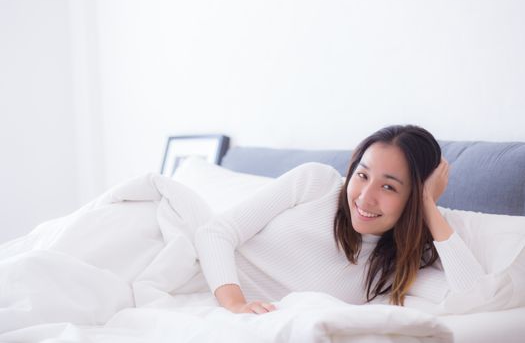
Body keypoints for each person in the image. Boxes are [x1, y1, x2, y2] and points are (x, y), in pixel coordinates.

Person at [194, 125, 486, 314]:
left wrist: (428, 207)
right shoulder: (316, 182)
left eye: (389, 187)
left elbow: (476, 296)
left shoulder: (397, 267)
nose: (364, 197)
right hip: (188, 261)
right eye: (362, 175)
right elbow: (215, 232)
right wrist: (235, 305)